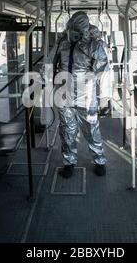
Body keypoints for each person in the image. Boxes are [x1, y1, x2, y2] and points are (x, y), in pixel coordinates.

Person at [52, 11, 111, 178]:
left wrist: (105, 99)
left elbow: (104, 71)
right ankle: (69, 162)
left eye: (77, 30)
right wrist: (44, 82)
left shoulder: (94, 45)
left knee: (91, 129)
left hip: (87, 95)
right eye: (72, 30)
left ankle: (99, 160)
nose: (74, 34)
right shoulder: (62, 43)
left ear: (85, 30)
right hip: (64, 94)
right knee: (67, 130)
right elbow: (50, 62)